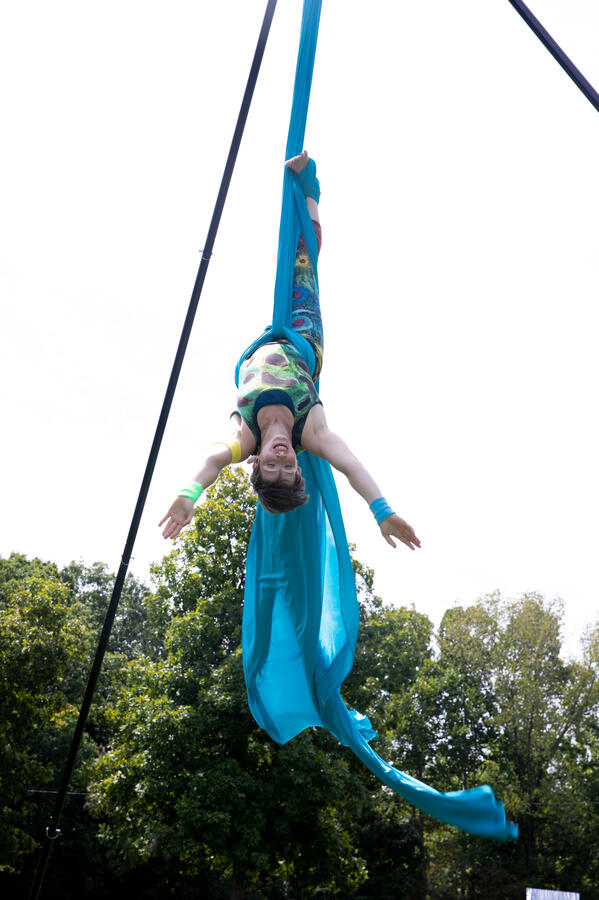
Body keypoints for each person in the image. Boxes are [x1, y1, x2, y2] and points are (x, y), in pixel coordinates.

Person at [160, 152, 421, 553]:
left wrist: (188, 495)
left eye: (272, 466)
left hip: (264, 340)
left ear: (257, 462)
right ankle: (311, 189)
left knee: (281, 258)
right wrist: (381, 511)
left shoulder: (243, 437)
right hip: (301, 335)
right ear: (299, 466)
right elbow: (350, 465)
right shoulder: (311, 433)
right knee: (303, 259)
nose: (281, 457)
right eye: (288, 467)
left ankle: (301, 194)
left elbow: (211, 462)